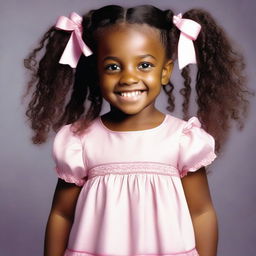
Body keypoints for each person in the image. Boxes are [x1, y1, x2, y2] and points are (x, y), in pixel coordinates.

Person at [24, 5, 251, 256]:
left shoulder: (182, 139)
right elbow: (61, 214)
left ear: (165, 71)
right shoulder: (80, 141)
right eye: (113, 67)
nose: (128, 78)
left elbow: (201, 212)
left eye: (144, 65)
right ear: (95, 73)